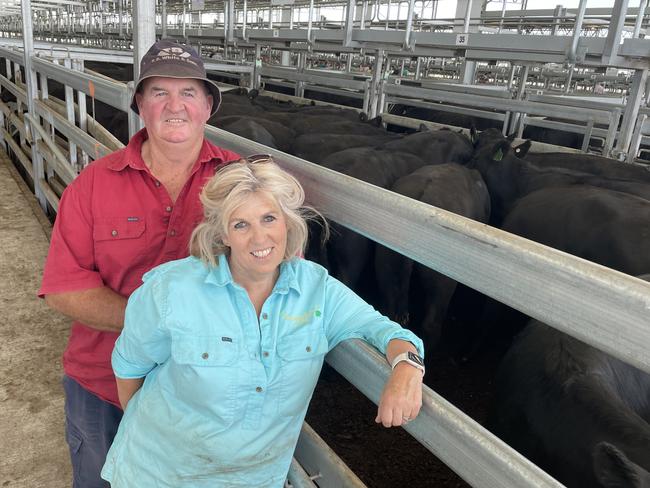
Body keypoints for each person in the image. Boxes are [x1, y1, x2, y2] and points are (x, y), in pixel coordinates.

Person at [100, 157, 425, 487]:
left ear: (287, 223)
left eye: (269, 218)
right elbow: (129, 370)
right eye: (241, 224)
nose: (259, 238)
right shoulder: (171, 290)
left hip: (252, 480)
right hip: (160, 474)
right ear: (223, 233)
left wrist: (406, 368)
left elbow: (386, 331)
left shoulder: (317, 291)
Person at [38, 39, 240, 487]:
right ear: (139, 105)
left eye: (188, 93)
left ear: (208, 106)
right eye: (159, 93)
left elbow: (279, 269)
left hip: (205, 388)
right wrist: (160, 322)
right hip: (102, 383)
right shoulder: (92, 186)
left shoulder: (241, 183)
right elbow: (64, 288)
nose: (175, 106)